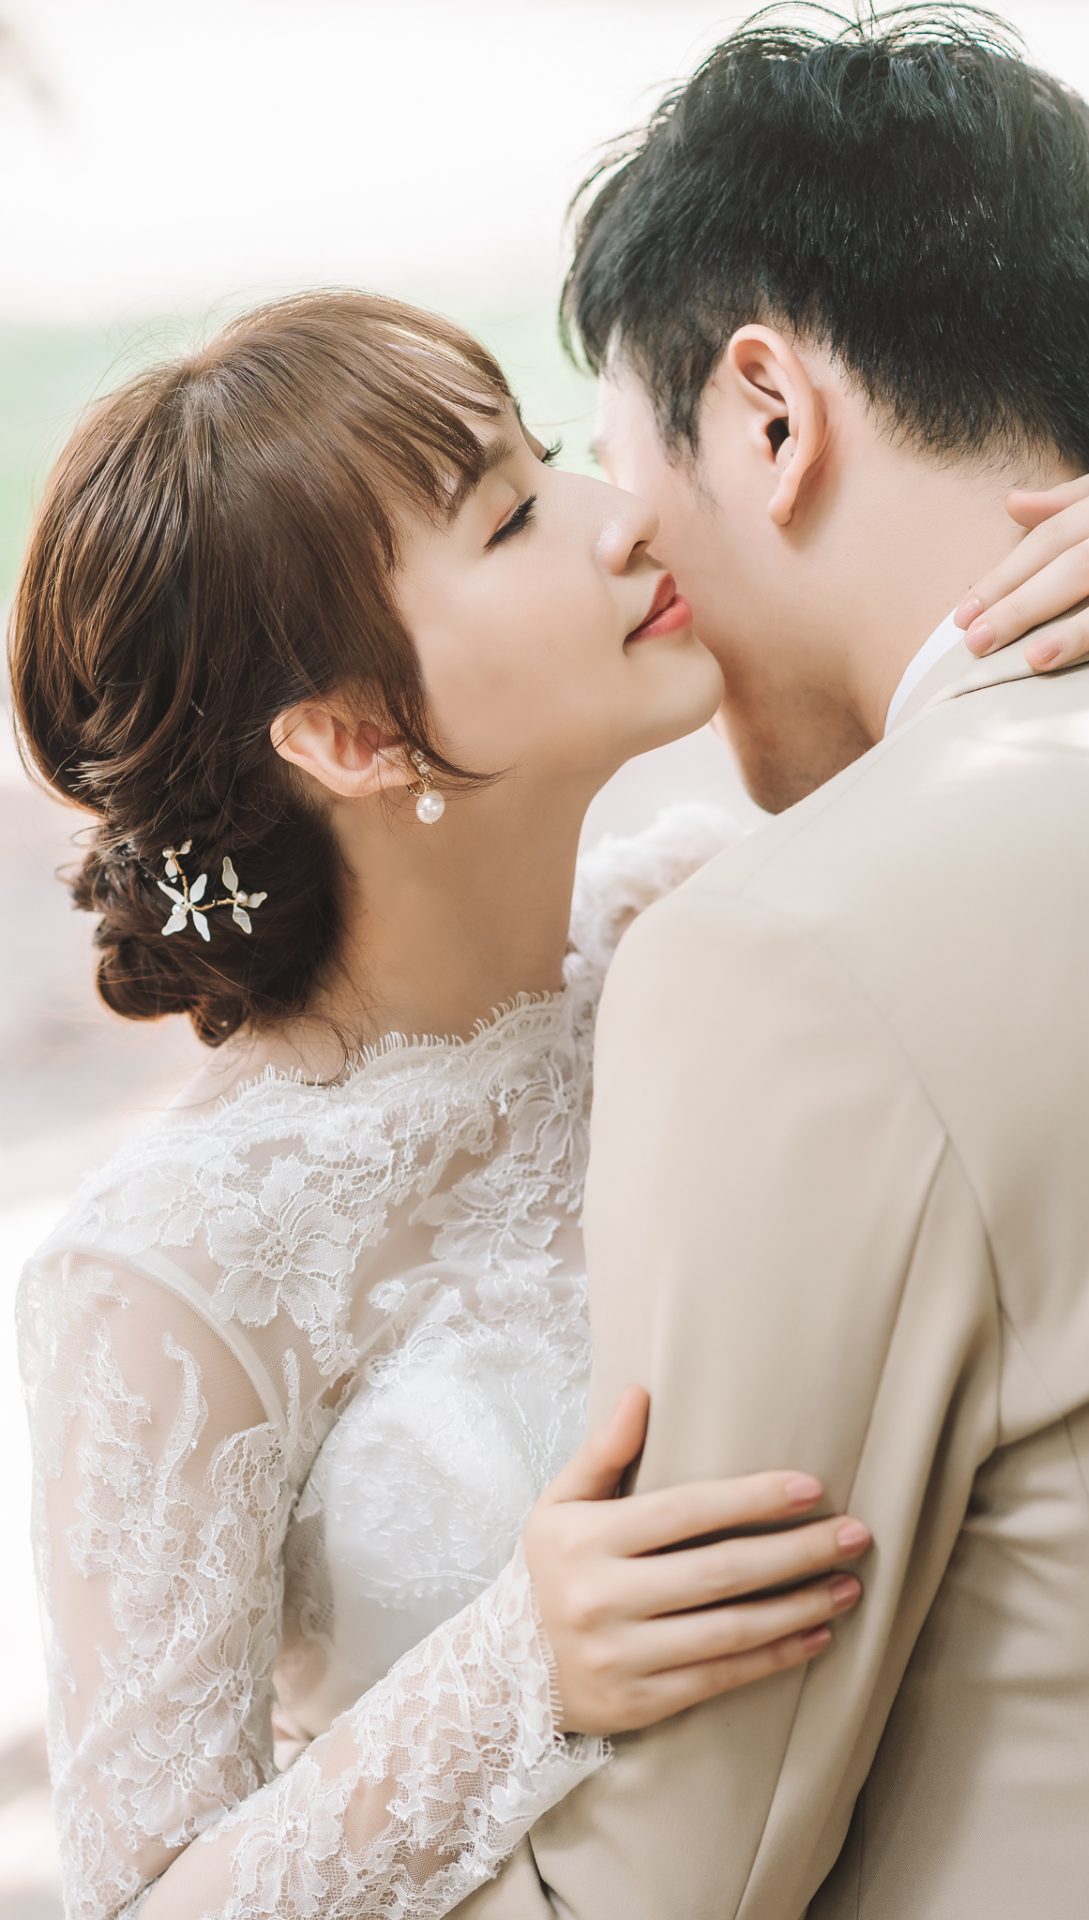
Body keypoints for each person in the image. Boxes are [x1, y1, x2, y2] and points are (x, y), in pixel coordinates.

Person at [449, 9, 1089, 1919]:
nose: (630, 552)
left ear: (767, 412)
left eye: (625, 468)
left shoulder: (781, 953)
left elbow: (679, 1866)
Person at [9, 291, 878, 1920]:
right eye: (510, 518)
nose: (620, 517)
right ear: (350, 735)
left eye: (544, 459)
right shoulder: (165, 1270)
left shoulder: (696, 922)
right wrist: (517, 1676)